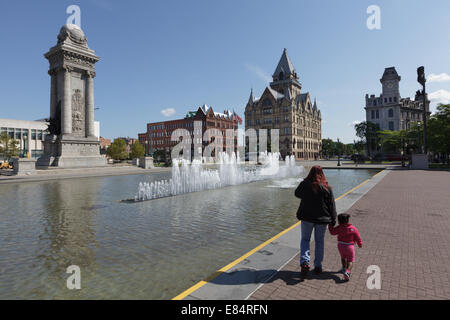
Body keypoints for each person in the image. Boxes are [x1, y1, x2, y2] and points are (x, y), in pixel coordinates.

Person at [295, 165, 337, 277]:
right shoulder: (327, 187)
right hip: (322, 219)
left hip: (307, 218)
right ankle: (318, 266)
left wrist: (305, 186)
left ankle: (304, 262)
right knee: (319, 242)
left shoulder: (305, 184)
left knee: (305, 240)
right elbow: (332, 205)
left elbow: (297, 193)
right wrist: (333, 219)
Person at [328, 213, 362, 281]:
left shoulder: (339, 227)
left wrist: (330, 225)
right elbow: (358, 237)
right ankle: (347, 272)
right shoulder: (353, 229)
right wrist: (359, 244)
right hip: (349, 246)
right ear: (348, 220)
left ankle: (344, 269)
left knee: (343, 257)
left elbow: (332, 232)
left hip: (340, 245)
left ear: (339, 221)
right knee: (351, 260)